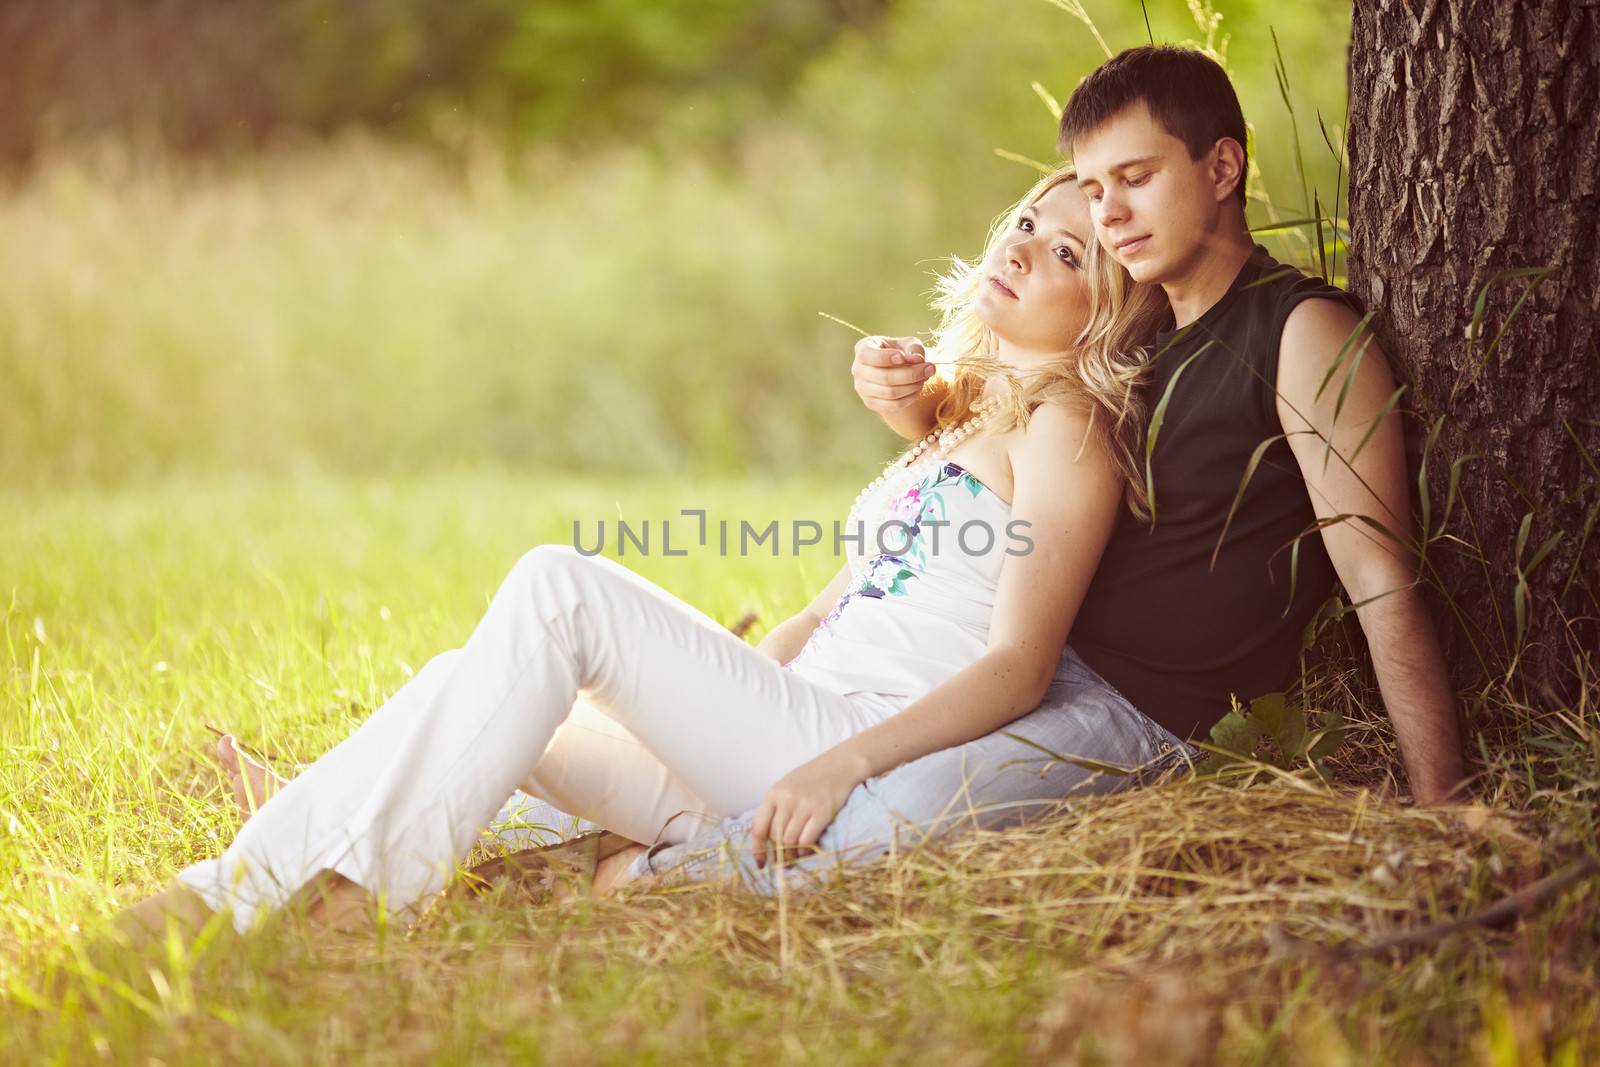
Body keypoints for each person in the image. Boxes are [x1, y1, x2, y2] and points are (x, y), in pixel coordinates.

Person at [482, 43, 1472, 897]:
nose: (1111, 212)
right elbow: (1021, 446)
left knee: (880, 819)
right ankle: (553, 821)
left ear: (1221, 166)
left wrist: (1440, 807)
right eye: (1092, 189)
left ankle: (633, 879)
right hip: (1021, 660)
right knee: (817, 764)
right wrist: (911, 398)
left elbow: (1379, 578)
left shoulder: (1302, 331)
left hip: (1144, 708)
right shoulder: (1141, 334)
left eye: (1136, 176)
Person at [122, 162, 1180, 939]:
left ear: (1105, 307)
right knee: (480, 681)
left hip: (840, 749)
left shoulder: (1070, 431)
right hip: (778, 729)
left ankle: (322, 902)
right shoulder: (964, 413)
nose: (1022, 247)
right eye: (1030, 220)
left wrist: (840, 758)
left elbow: (1017, 663)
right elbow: (841, 602)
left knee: (558, 588)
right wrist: (713, 688)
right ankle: (254, 872)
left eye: (1067, 253)